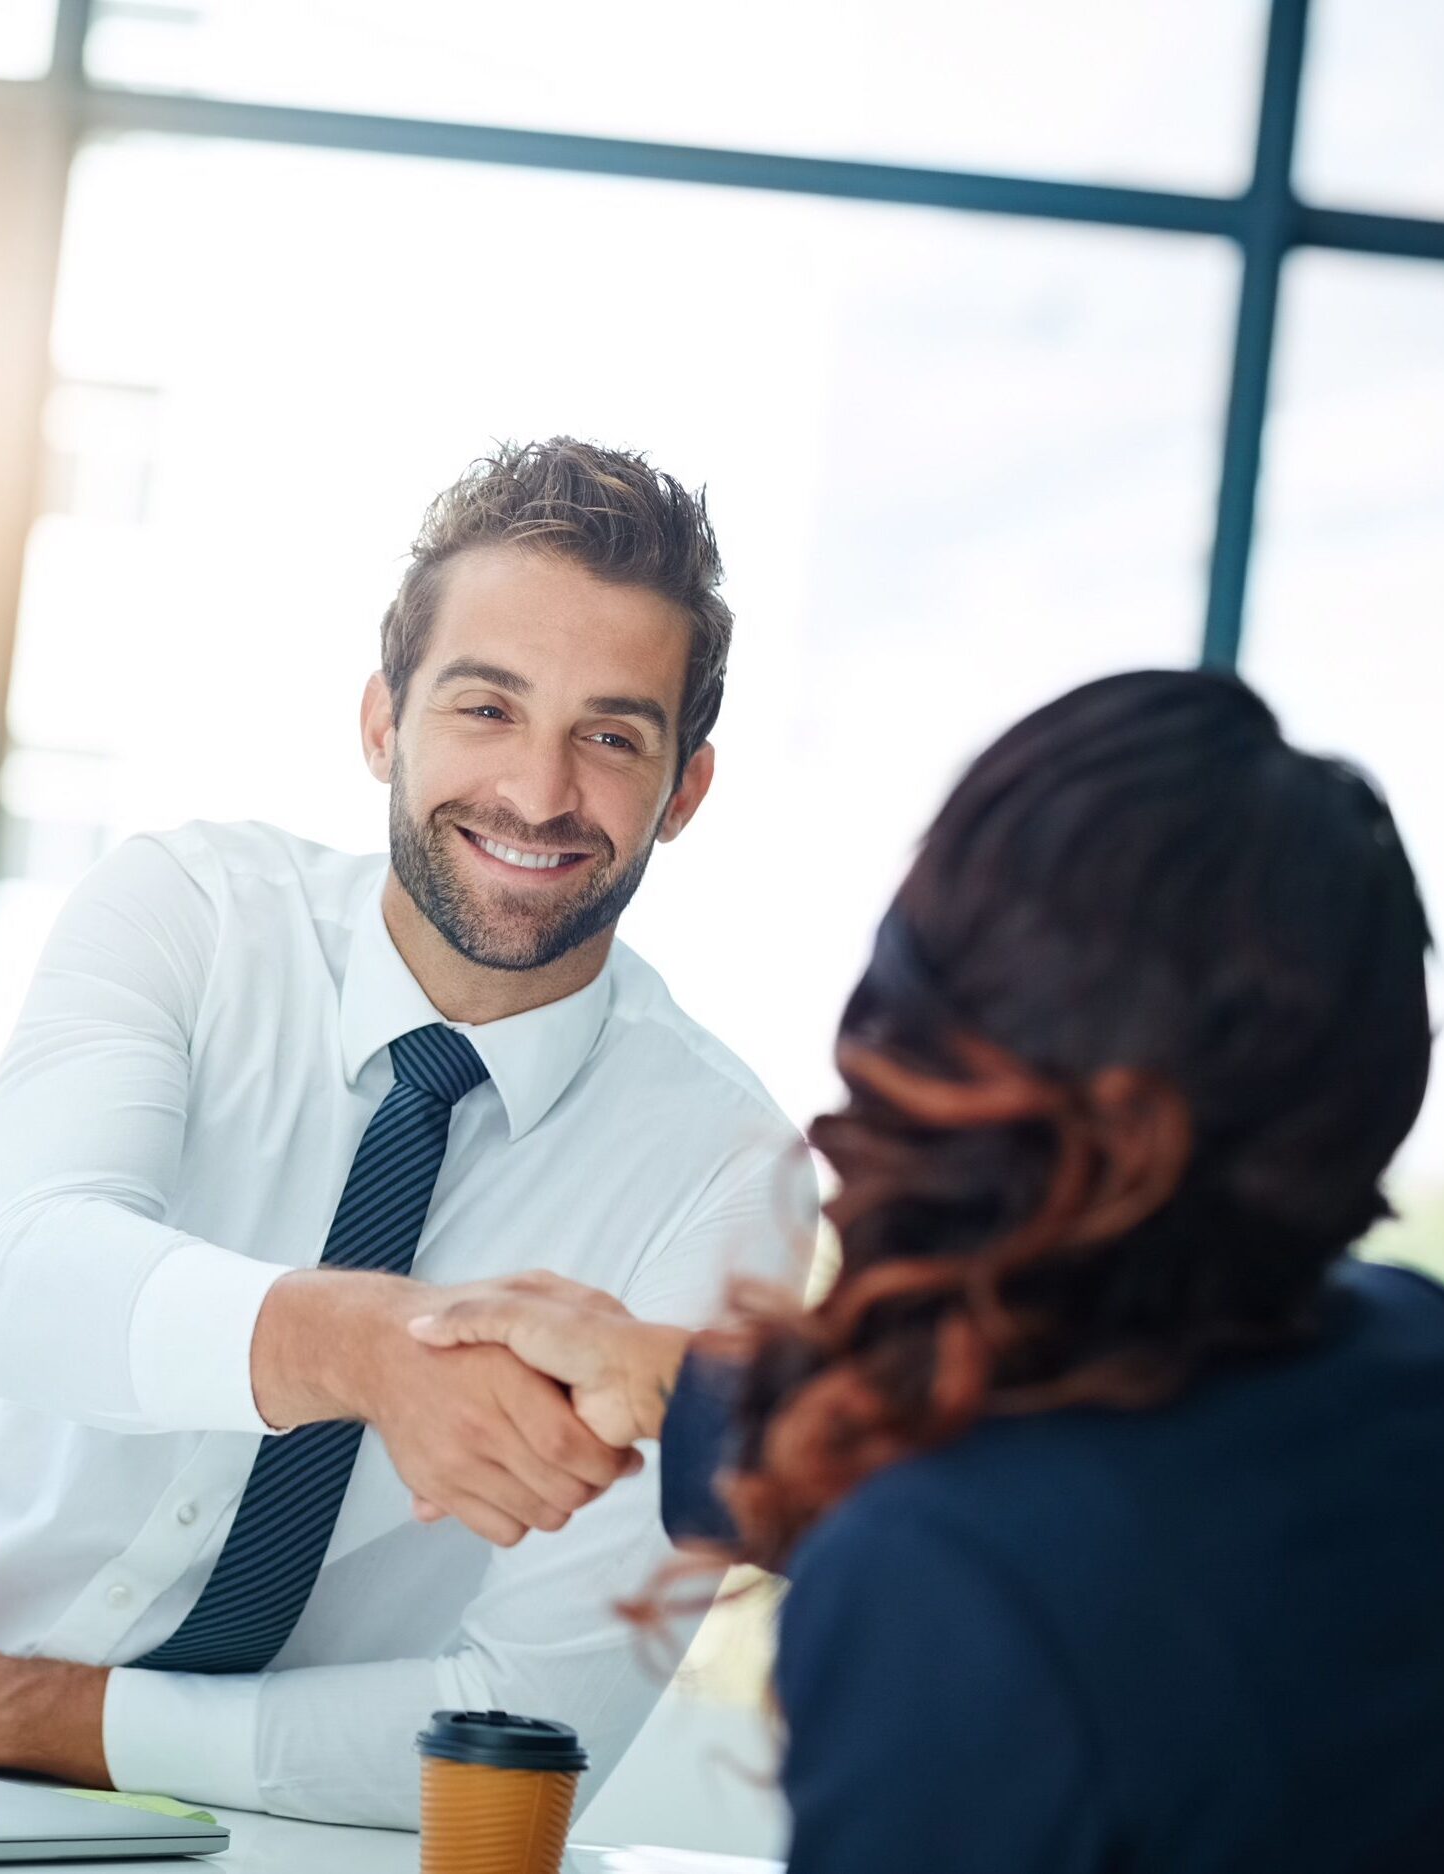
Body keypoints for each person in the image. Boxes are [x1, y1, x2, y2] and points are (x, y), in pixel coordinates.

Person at [0, 439, 813, 1827]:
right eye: (485, 707)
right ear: (381, 722)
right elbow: (17, 1282)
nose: (537, 793)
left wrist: (10, 1710)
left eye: (610, 736)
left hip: (266, 1842)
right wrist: (371, 1351)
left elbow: (528, 1722)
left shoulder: (726, 1172)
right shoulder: (186, 913)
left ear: (686, 788)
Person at [410, 669, 1444, 1873]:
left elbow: (1015, 1541)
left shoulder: (950, 1577)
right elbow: (1135, 1491)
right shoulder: (1404, 1355)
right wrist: (671, 1385)